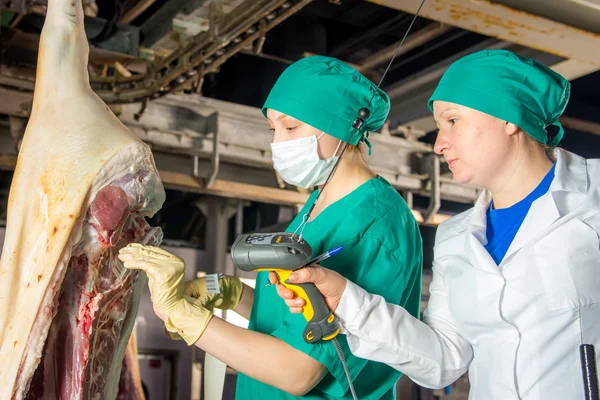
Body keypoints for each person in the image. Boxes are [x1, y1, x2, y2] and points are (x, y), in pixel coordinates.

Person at [271, 49, 600, 400]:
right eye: (439, 127)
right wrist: (345, 300)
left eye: (452, 121)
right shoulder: (454, 236)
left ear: (509, 117)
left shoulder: (593, 195)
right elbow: (444, 360)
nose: (439, 144)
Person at [118, 56, 424, 399]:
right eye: (272, 129)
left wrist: (183, 316)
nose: (277, 143)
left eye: (291, 127)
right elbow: (293, 319)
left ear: (343, 125)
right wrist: (233, 294)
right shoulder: (314, 208)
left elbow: (298, 371)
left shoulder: (374, 221)